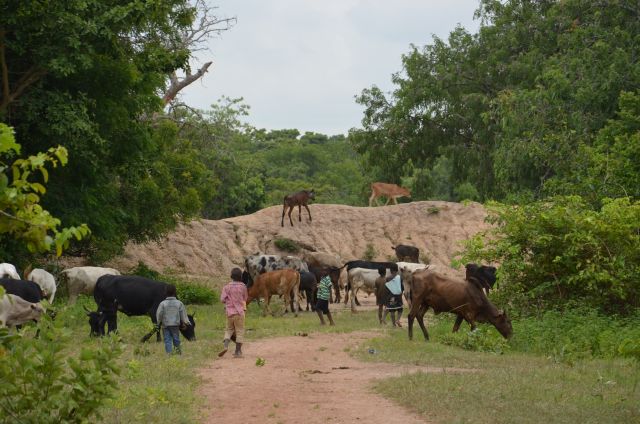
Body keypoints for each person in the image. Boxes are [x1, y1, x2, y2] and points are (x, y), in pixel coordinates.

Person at [219, 268, 248, 358]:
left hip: (229, 313)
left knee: (229, 329)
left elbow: (222, 299)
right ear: (241, 276)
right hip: (239, 313)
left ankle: (225, 346)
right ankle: (238, 351)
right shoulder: (243, 286)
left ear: (231, 276)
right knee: (239, 331)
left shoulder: (226, 287)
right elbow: (245, 298)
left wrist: (228, 301)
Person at [156, 284, 190, 355]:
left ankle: (169, 353)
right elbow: (183, 313)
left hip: (165, 325)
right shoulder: (179, 303)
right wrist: (186, 322)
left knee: (167, 339)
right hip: (175, 325)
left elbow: (159, 314)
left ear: (165, 292)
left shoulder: (163, 304)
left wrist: (158, 322)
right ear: (175, 292)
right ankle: (178, 352)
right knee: (176, 338)